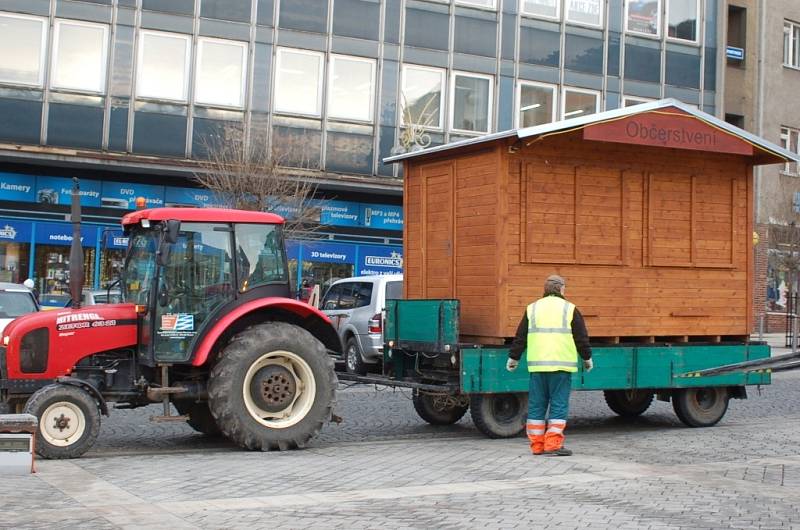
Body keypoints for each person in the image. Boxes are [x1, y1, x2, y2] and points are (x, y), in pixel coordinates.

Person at [506, 274, 592, 457]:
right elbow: (581, 338)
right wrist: (587, 358)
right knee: (558, 405)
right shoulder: (570, 309)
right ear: (561, 289)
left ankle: (537, 445)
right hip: (561, 368)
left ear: (545, 290)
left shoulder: (532, 308)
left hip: (538, 368)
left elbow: (520, 337)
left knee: (537, 405)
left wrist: (513, 358)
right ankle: (553, 443)